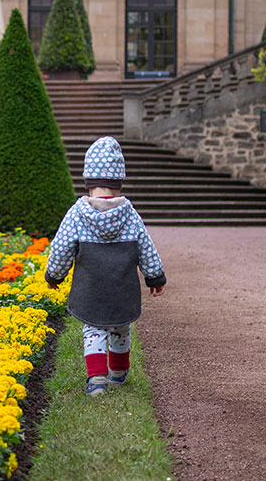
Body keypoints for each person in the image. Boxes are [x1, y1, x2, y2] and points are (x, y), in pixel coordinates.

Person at [44, 136, 166, 397]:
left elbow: (62, 247)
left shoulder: (77, 213)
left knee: (93, 329)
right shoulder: (130, 214)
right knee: (122, 327)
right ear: (118, 181)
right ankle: (119, 373)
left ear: (88, 181)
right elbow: (146, 246)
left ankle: (97, 379)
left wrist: (54, 274)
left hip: (91, 288)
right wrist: (155, 276)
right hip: (122, 287)